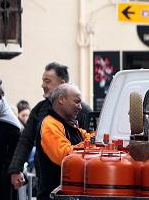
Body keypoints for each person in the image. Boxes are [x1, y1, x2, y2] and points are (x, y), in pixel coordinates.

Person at [8, 62, 92, 191]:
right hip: (46, 181)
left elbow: (91, 142)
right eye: (43, 81)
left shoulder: (83, 110)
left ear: (62, 84)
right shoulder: (39, 110)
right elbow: (26, 140)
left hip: (78, 182)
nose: (43, 85)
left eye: (47, 81)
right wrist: (16, 169)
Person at [37, 84, 91, 200]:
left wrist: (96, 139)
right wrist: (89, 145)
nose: (80, 107)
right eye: (76, 102)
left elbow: (88, 137)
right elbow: (63, 155)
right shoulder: (50, 125)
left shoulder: (70, 126)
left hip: (68, 199)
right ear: (61, 99)